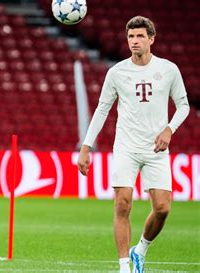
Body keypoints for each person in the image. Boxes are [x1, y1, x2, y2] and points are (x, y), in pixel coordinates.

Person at [77, 16, 190, 273]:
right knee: (122, 203)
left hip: (156, 148)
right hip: (126, 147)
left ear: (151, 39)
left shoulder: (169, 69)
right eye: (130, 37)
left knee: (162, 208)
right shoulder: (116, 73)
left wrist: (169, 130)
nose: (134, 41)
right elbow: (102, 109)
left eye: (139, 36)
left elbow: (183, 105)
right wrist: (86, 146)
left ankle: (139, 250)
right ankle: (123, 267)